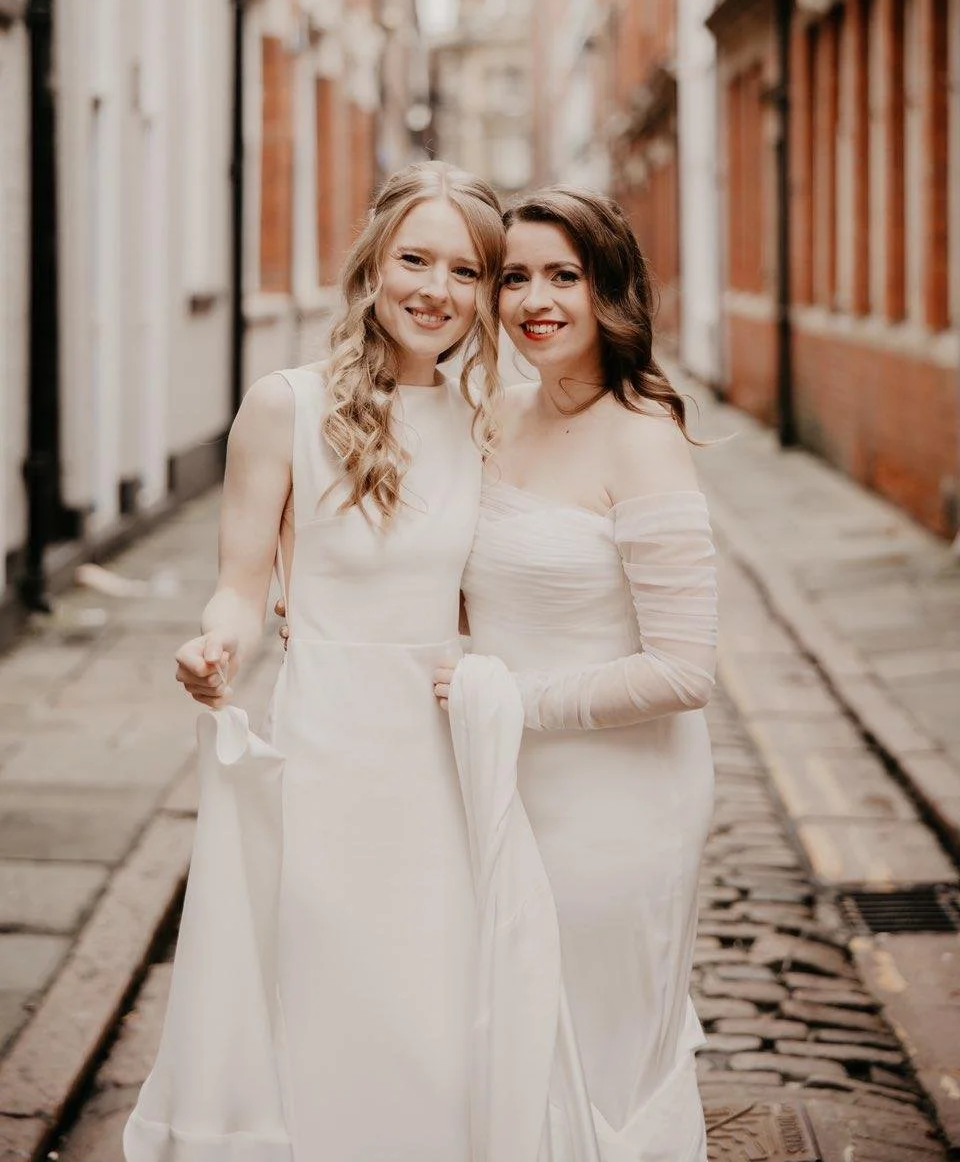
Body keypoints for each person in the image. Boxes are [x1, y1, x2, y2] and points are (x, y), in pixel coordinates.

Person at [124, 160, 505, 1162]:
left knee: (440, 993)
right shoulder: (284, 406)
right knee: (336, 986)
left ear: (486, 291)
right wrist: (219, 648)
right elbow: (243, 585)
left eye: (464, 270)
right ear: (372, 265)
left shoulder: (493, 419)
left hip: (451, 739)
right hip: (333, 735)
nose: (435, 288)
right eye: (414, 258)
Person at [435, 186, 717, 1160]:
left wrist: (513, 698)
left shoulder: (643, 437)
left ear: (611, 291)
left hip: (618, 801)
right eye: (515, 276)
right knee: (505, 1029)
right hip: (497, 783)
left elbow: (685, 668)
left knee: (593, 1037)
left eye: (565, 275)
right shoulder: (491, 417)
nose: (535, 299)